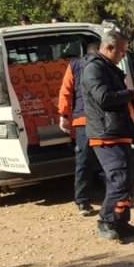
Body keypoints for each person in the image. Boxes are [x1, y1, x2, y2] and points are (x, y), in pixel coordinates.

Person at [81, 30, 134, 242]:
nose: (123, 55)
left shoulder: (108, 67)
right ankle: (106, 221)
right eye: (122, 51)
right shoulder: (93, 68)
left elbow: (116, 97)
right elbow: (104, 98)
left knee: (126, 181)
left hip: (119, 131)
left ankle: (121, 222)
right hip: (105, 134)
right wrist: (130, 94)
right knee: (119, 179)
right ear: (109, 48)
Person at [57, 42, 101, 215]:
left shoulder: (74, 64)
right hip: (100, 119)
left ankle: (83, 201)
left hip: (82, 120)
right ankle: (116, 195)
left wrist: (64, 116)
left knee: (83, 160)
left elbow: (65, 92)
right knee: (110, 158)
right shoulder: (104, 64)